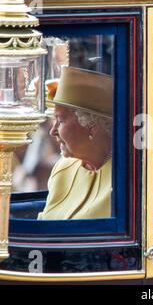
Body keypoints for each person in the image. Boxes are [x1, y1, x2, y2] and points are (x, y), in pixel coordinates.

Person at [38, 66, 113, 220]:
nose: (53, 131)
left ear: (92, 126)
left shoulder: (135, 174)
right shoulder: (63, 168)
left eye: (60, 120)